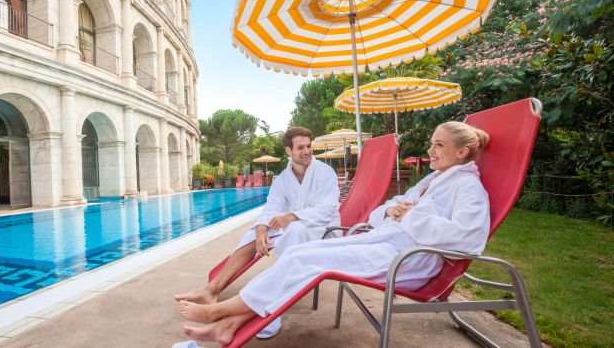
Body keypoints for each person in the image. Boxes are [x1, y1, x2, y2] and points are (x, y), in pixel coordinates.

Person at [176, 121, 491, 345]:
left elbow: (467, 239)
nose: (431, 149)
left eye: (438, 144)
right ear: (289, 151)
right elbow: (389, 208)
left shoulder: (468, 188)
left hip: (410, 260)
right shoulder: (434, 181)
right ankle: (228, 324)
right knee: (299, 253)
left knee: (303, 258)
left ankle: (220, 312)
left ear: (462, 152)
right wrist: (393, 211)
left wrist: (411, 216)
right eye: (432, 143)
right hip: (388, 244)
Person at [175, 126, 340, 337]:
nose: (307, 151)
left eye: (309, 146)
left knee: (294, 230)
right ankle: (212, 290)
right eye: (301, 148)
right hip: (299, 226)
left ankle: (270, 313)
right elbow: (272, 207)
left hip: (324, 231)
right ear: (289, 151)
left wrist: (291, 216)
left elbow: (327, 209)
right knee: (256, 233)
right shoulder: (283, 178)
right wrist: (262, 228)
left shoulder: (325, 173)